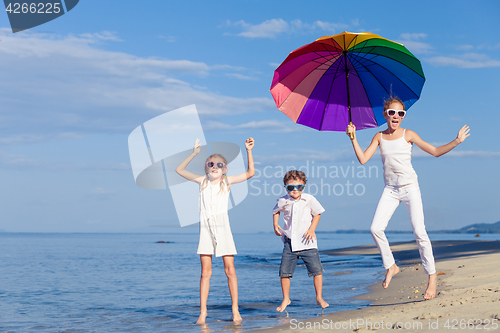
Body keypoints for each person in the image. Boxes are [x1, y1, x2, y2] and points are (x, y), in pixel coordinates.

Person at [346, 97, 470, 299]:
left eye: (400, 113)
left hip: (410, 188)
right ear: (385, 115)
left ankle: (432, 277)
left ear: (403, 117)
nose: (396, 116)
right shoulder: (379, 137)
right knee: (375, 228)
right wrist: (353, 138)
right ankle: (391, 266)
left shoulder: (408, 134)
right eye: (392, 113)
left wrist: (457, 141)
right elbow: (362, 159)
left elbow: (436, 152)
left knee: (420, 232)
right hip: (390, 189)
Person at [175, 137, 255, 324]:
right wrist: (194, 153)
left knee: (230, 271)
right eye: (211, 163)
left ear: (225, 168)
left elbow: (251, 172)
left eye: (219, 164)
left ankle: (235, 311)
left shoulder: (226, 182)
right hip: (206, 232)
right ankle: (203, 312)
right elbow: (179, 170)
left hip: (224, 231)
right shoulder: (202, 181)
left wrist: (248, 150)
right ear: (206, 167)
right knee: (205, 273)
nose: (214, 166)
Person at [272, 170, 329, 313]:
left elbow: (317, 214)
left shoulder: (309, 199)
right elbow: (275, 211)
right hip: (289, 243)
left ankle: (319, 297)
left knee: (317, 271)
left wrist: (311, 229)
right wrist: (275, 225)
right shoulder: (282, 200)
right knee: (284, 273)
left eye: (299, 187)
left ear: (304, 186)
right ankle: (286, 298)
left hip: (308, 243)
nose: (295, 190)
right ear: (286, 187)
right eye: (291, 187)